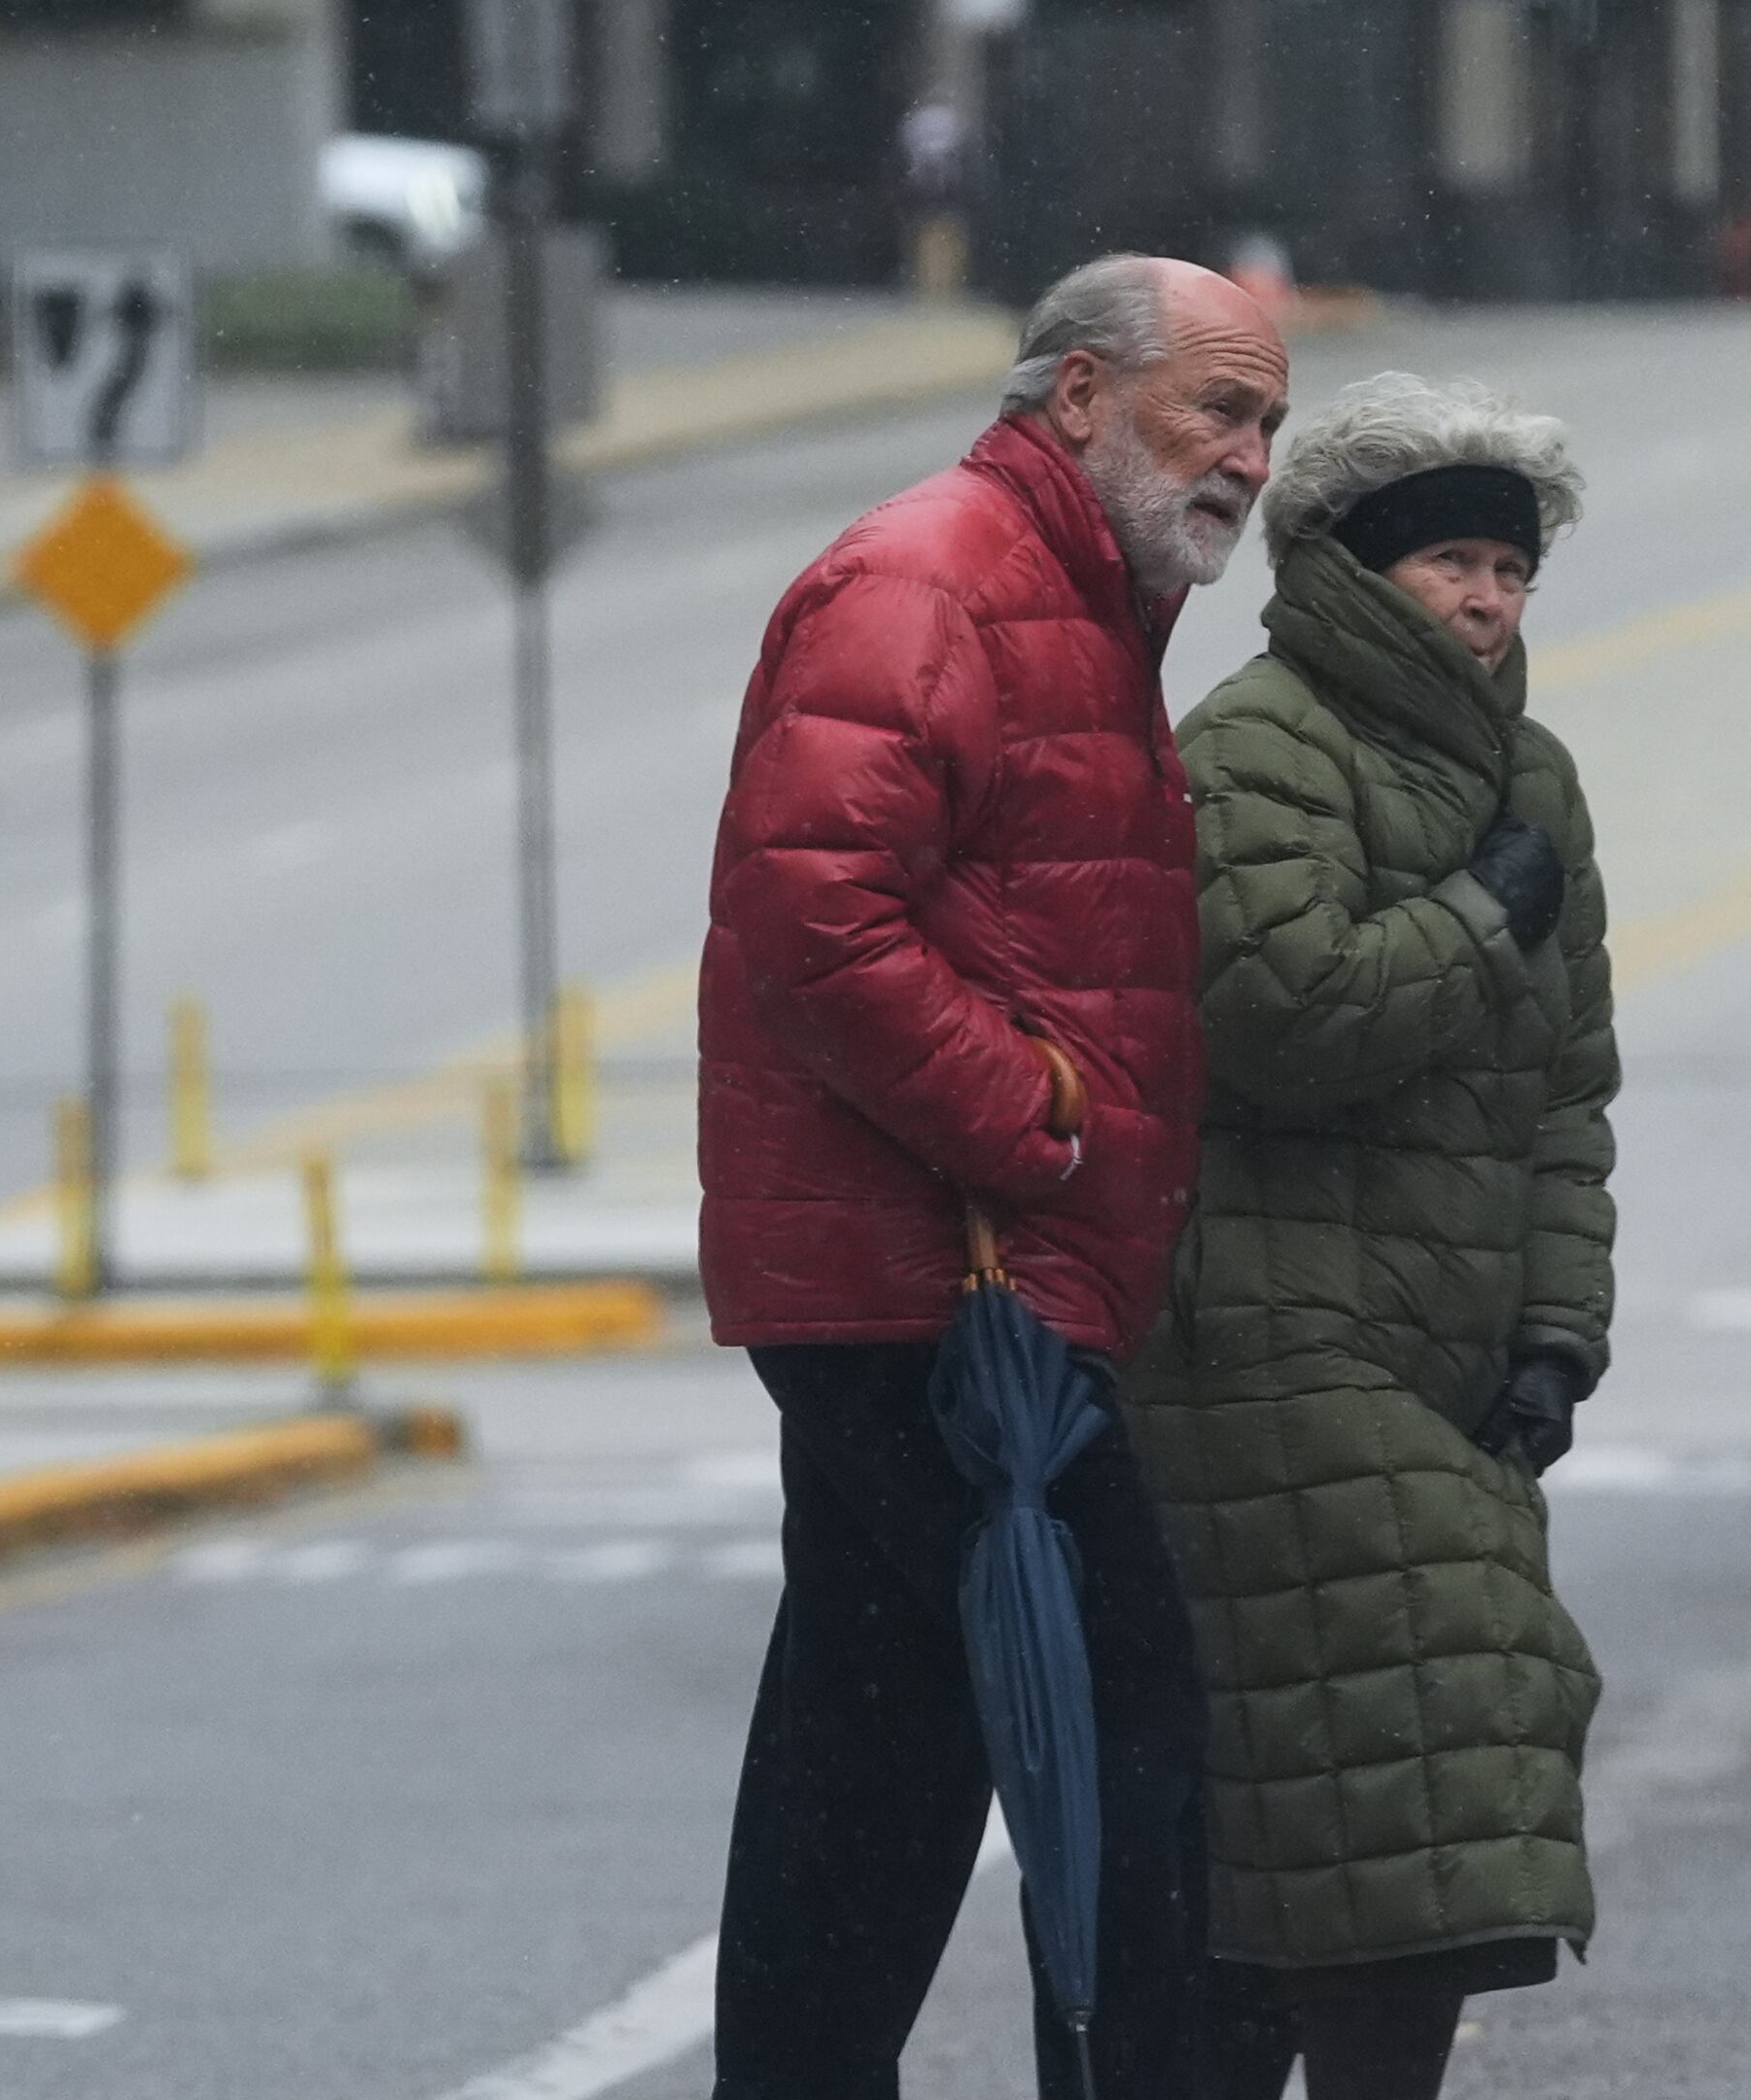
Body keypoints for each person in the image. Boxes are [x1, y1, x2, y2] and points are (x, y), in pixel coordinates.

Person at [695, 253, 1289, 2100]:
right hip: (946, 1293)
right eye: (1219, 409)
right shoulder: (937, 576)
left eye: (1269, 422)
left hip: (934, 1290)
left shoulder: (1070, 590)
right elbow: (813, 914)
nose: (1251, 461)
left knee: (874, 1756)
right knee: (1125, 1746)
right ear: (1080, 396)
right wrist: (1032, 1119)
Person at [1125, 373, 1617, 2100]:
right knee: (1396, 1769)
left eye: (1511, 566)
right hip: (1273, 1351)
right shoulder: (1259, 745)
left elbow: (1568, 1095)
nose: (1489, 600)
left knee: (1377, 1809)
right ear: (1354, 569)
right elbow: (1282, 1011)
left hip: (1452, 1356)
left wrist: (1562, 1332)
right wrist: (1484, 913)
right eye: (1452, 565)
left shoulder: (1531, 776)